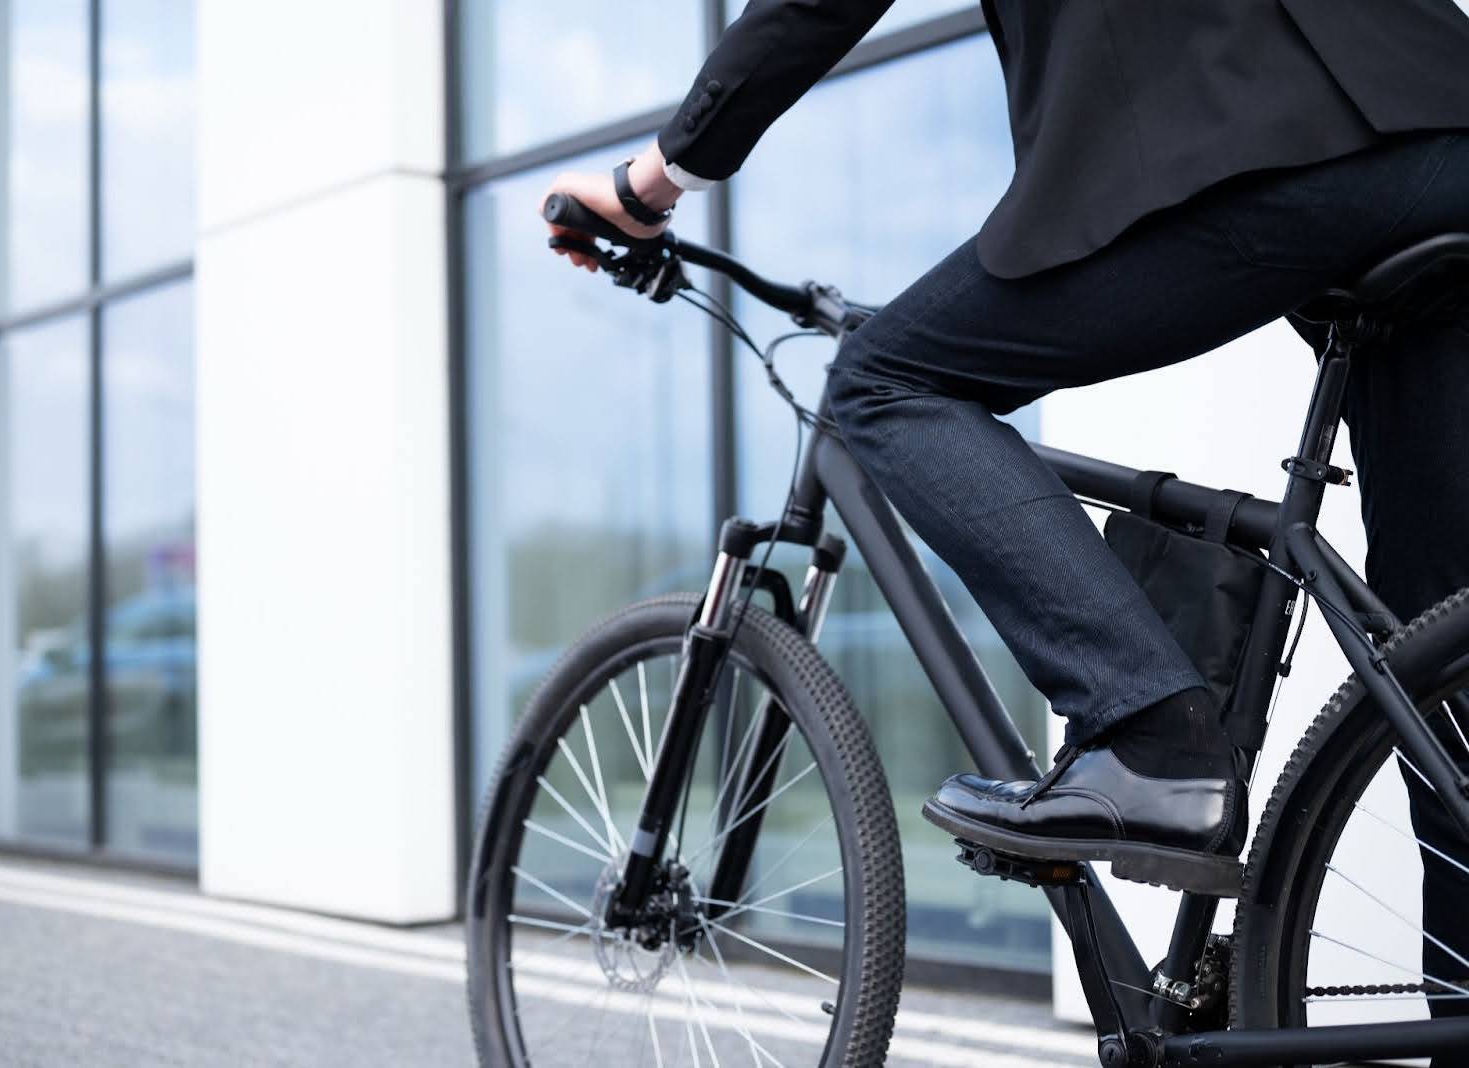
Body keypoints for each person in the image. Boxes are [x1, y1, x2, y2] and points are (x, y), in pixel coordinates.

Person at [542, 4, 1469, 888]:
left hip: (1245, 134)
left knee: (883, 381)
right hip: (1443, 129)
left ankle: (1156, 739)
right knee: (1443, 659)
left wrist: (651, 181)